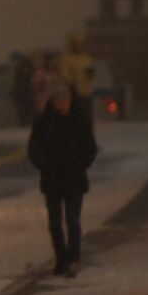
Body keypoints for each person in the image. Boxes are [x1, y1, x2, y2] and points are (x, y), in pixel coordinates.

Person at [27, 82, 98, 277]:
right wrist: (46, 167)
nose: (63, 105)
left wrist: (80, 164)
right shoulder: (44, 122)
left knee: (73, 219)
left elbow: (90, 147)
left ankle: (73, 257)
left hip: (73, 178)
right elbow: (34, 150)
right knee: (55, 222)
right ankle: (61, 258)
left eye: (65, 101)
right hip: (53, 180)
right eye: (59, 101)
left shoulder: (79, 120)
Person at [59, 33, 95, 103]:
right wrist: (72, 83)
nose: (79, 46)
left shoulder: (87, 58)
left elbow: (91, 74)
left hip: (87, 92)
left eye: (81, 43)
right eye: (77, 43)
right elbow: (64, 75)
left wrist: (91, 73)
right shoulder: (67, 59)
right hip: (73, 93)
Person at [11, 52, 35, 126]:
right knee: (24, 113)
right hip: (24, 96)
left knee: (24, 113)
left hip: (24, 95)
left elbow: (19, 84)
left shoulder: (22, 69)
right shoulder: (23, 69)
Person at [30, 52, 56, 118]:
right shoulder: (39, 73)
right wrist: (41, 83)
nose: (51, 63)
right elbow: (35, 86)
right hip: (42, 99)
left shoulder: (52, 72)